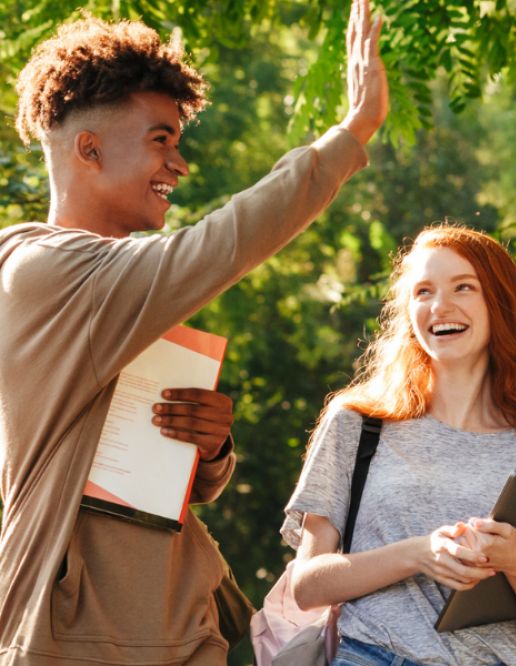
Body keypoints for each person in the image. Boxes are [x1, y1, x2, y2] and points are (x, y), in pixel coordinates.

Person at [0, 0, 387, 662]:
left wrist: (209, 449)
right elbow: (222, 243)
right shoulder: (46, 270)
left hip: (181, 630)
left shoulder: (126, 291)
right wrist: (352, 132)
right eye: (160, 140)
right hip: (81, 642)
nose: (178, 166)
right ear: (87, 149)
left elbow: (156, 480)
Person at [281, 224, 516, 665]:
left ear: (500, 303)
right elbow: (307, 586)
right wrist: (419, 554)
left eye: (463, 287)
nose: (441, 306)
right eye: (423, 292)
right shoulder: (359, 424)